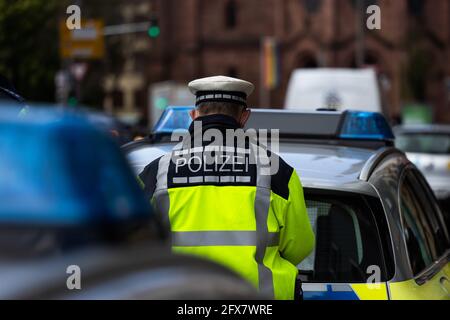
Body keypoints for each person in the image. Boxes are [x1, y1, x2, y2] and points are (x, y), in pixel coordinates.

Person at [139, 76, 314, 300]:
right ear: (244, 117)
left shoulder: (158, 173)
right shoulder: (279, 173)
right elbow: (300, 246)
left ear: (193, 116)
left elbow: (135, 245)